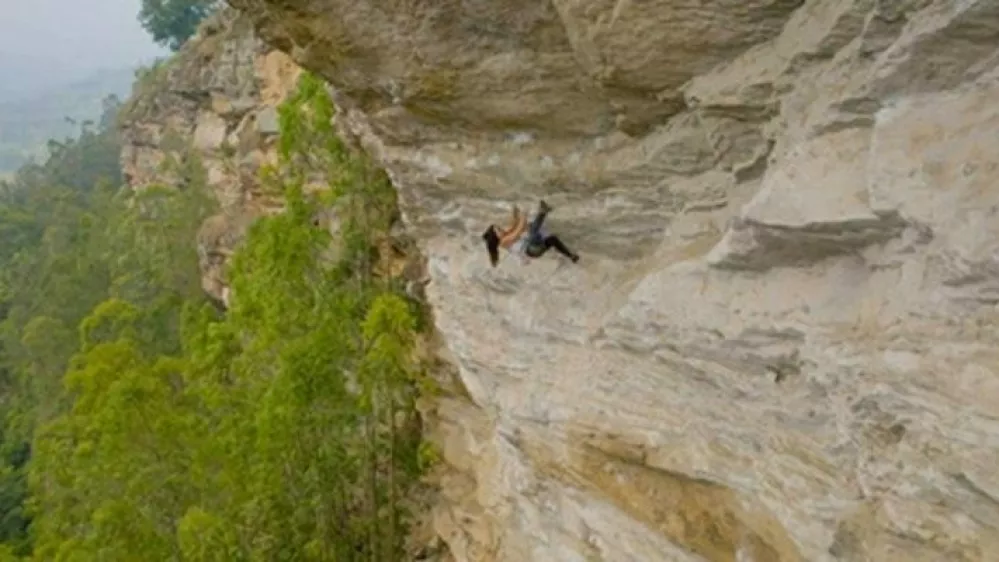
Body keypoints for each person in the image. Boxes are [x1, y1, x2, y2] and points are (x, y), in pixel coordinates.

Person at [481, 200, 580, 267]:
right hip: (532, 250)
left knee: (552, 239)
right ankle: (543, 211)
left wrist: (514, 209)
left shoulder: (505, 235)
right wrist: (524, 214)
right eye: (498, 229)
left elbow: (514, 224)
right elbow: (518, 230)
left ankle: (571, 256)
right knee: (531, 230)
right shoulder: (504, 241)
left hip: (534, 248)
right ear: (496, 237)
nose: (501, 229)